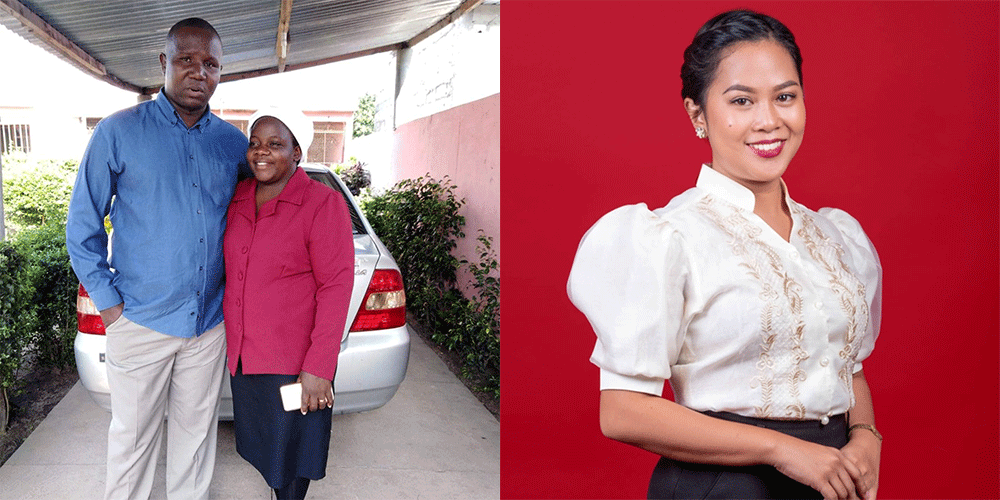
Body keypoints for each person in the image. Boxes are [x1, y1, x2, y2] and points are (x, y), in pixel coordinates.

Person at [567, 10, 882, 500]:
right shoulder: (669, 237)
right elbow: (622, 410)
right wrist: (781, 449)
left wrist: (865, 437)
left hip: (830, 479)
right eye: (741, 101)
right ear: (699, 115)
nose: (769, 120)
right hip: (726, 485)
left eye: (785, 96)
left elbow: (848, 367)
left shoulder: (834, 237)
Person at [65, 17, 248, 500]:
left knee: (194, 445)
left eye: (211, 64)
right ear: (164, 63)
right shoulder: (118, 132)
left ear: (220, 72)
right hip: (139, 321)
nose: (198, 73)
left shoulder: (232, 144)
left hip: (206, 325)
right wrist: (110, 307)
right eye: (186, 60)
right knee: (133, 445)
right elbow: (81, 228)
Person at [223, 107, 354, 500]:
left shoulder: (321, 204)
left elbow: (336, 286)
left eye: (275, 144)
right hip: (246, 359)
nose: (261, 153)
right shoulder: (240, 196)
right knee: (266, 449)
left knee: (293, 454)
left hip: (295, 365)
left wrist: (318, 369)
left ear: (298, 152)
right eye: (256, 143)